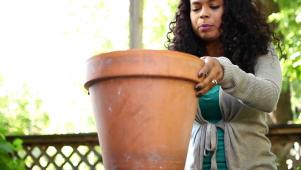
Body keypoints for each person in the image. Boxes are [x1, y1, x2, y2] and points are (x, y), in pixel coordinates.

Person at [166, 0, 282, 169]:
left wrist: (225, 72)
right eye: (196, 8)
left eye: (214, 6)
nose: (203, 14)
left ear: (232, 10)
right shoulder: (181, 58)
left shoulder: (260, 49)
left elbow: (269, 97)